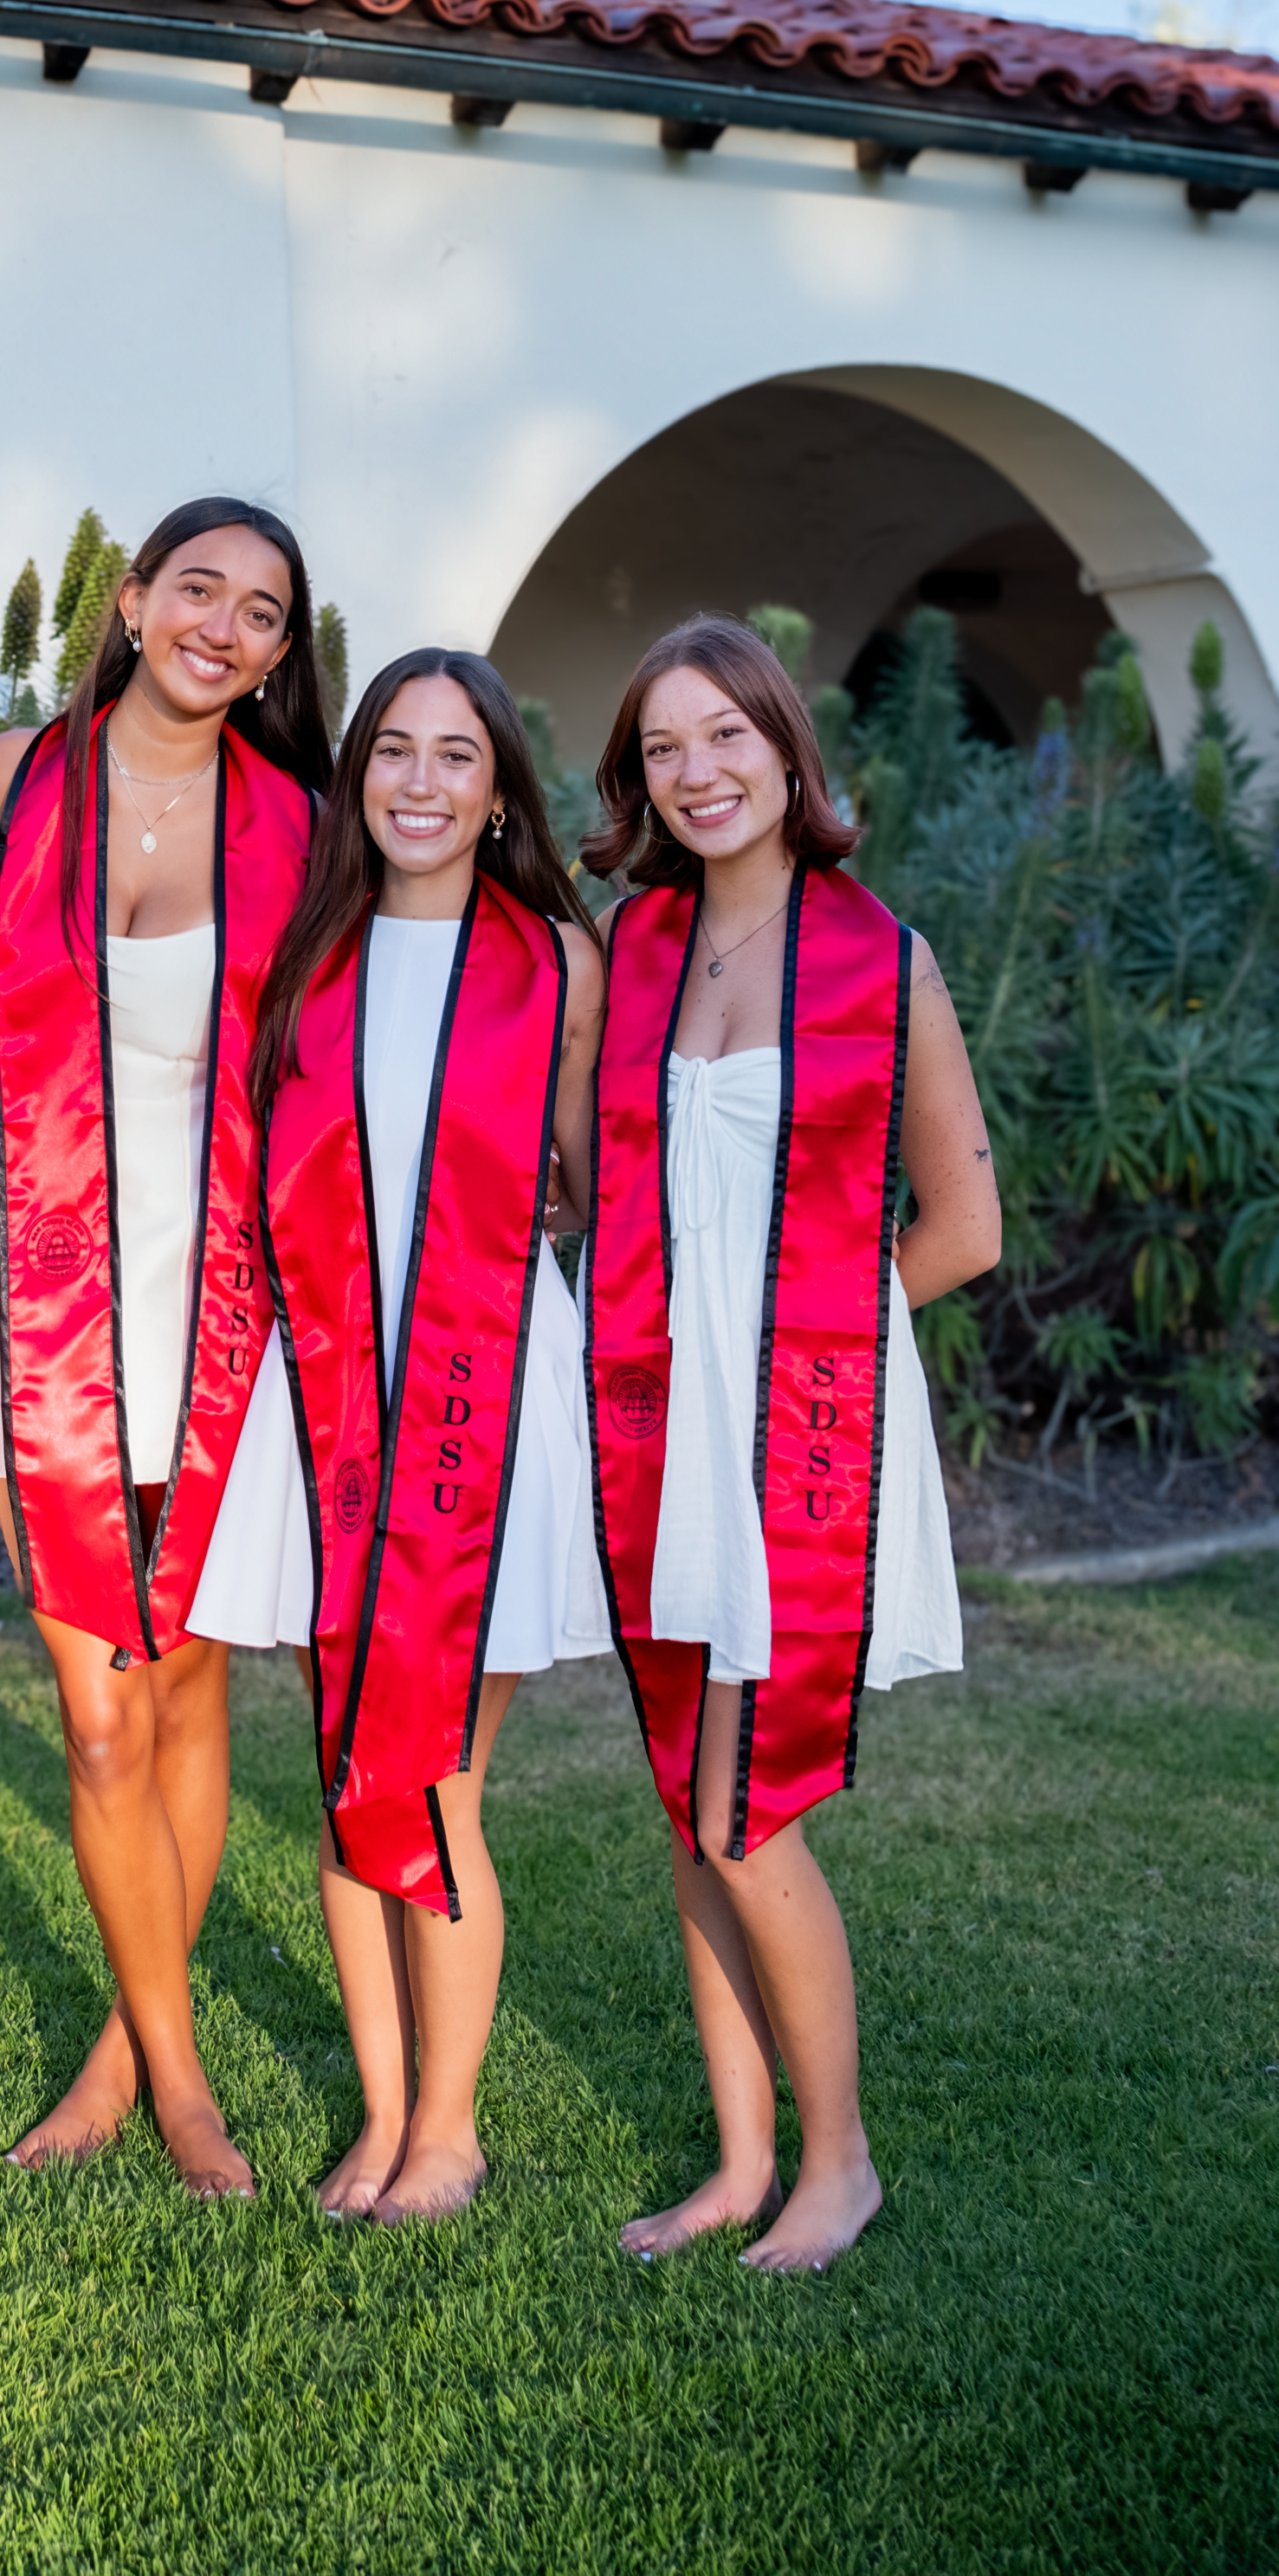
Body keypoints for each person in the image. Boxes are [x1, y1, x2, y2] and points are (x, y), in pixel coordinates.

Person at [579, 616, 999, 2274]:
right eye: (663, 749)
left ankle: (840, 2163)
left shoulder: (878, 958)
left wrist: (811, 1327)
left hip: (801, 1421)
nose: (697, 774)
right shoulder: (637, 953)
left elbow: (963, 1225)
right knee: (692, 1804)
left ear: (785, 750)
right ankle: (740, 2161)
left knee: (748, 1805)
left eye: (725, 737)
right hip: (659, 1420)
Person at [191, 651, 610, 2221]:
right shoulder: (307, 957)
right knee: (345, 1768)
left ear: (499, 789)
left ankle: (450, 2127)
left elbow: (578, 1186)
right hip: (321, 1411)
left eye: (457, 757)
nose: (421, 784)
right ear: (358, 777)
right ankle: (377, 2113)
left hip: (481, 1399)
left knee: (433, 1776)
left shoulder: (557, 963)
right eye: (393, 754)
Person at [0, 498, 328, 2198]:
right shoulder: (2, 782)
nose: (225, 627)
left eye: (263, 611)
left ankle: (125, 2057)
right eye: (201, 588)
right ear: (133, 599)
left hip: (227, 1301)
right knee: (97, 1716)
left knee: (187, 1687)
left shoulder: (304, 826)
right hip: (43, 1295)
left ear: (277, 652)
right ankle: (184, 2084)